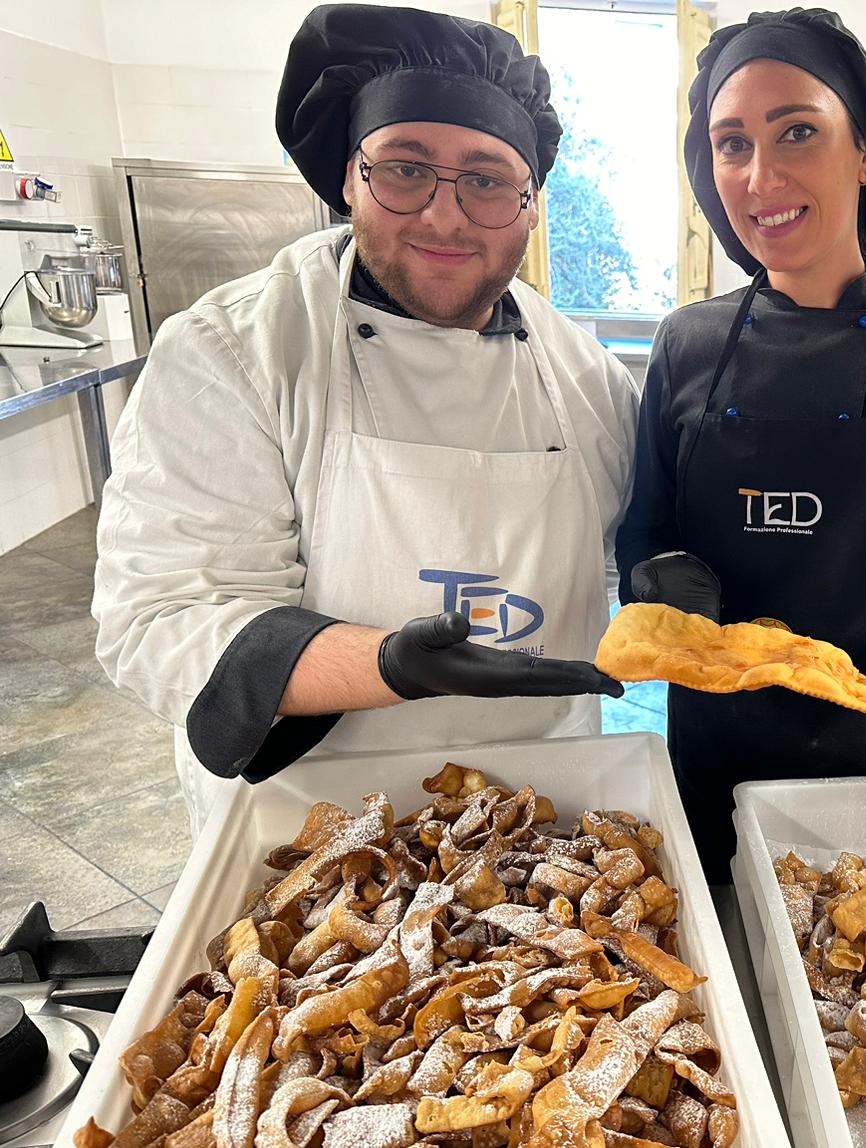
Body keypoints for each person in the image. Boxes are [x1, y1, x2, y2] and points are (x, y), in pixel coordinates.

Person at [93, 4, 637, 833]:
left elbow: (644, 550)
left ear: (531, 204)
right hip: (313, 833)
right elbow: (161, 620)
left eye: (487, 179)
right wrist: (384, 665)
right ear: (350, 178)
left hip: (546, 819)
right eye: (406, 168)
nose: (446, 215)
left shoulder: (586, 376)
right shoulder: (235, 351)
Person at [616, 8, 866, 881]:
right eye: (731, 143)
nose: (761, 176)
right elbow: (640, 533)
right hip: (720, 760)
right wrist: (651, 580)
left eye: (797, 131)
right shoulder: (687, 343)